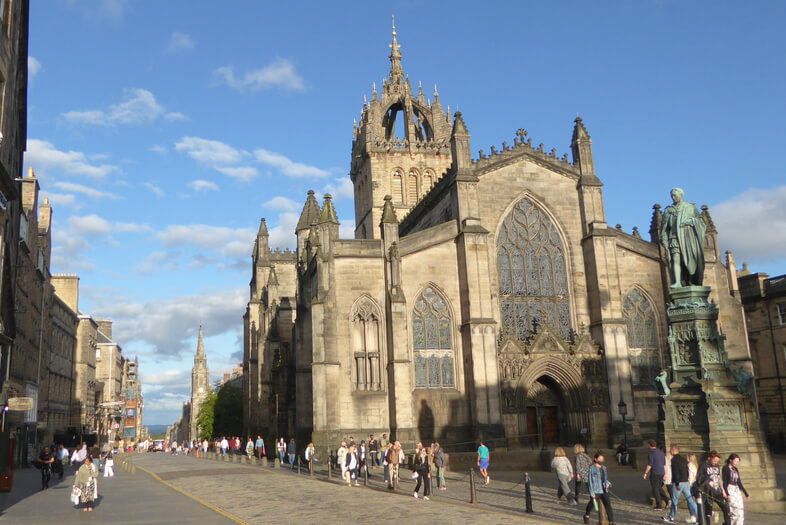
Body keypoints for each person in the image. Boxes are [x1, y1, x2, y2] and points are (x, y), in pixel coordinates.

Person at [660, 187, 707, 288]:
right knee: (676, 259)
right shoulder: (668, 210)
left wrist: (691, 222)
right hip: (674, 238)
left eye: (675, 195)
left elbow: (701, 222)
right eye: (671, 195)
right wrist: (664, 240)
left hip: (688, 239)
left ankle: (691, 281)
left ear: (681, 195)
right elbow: (664, 228)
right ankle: (677, 282)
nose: (673, 197)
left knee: (689, 261)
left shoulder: (690, 207)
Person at [663, 445, 697, 523]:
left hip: (678, 483)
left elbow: (676, 472)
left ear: (673, 450)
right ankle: (698, 515)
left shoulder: (674, 460)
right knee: (690, 500)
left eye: (671, 450)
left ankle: (671, 516)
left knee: (675, 500)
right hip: (686, 482)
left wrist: (677, 483)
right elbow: (686, 471)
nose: (670, 452)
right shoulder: (683, 460)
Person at [697, 450, 731, 525]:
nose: (716, 462)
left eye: (717, 461)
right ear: (710, 458)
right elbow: (699, 477)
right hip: (708, 491)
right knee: (708, 510)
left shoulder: (717, 466)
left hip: (717, 491)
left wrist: (723, 491)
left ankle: (727, 523)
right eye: (715, 460)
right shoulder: (703, 465)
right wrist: (708, 480)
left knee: (725, 507)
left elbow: (719, 478)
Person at [585, 452, 614, 525]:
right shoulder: (592, 468)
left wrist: (608, 484)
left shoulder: (604, 468)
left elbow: (605, 478)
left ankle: (611, 521)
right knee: (592, 503)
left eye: (602, 459)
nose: (601, 460)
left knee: (608, 505)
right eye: (600, 459)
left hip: (604, 489)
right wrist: (592, 493)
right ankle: (586, 515)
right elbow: (590, 481)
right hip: (596, 490)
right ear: (595, 459)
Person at [722, 454, 749, 525]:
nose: (736, 463)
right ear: (731, 460)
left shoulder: (735, 469)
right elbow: (724, 482)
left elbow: (739, 482)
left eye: (738, 461)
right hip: (730, 488)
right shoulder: (726, 468)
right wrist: (727, 493)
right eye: (735, 461)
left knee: (740, 509)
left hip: (736, 489)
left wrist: (745, 493)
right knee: (733, 509)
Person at [643, 439, 668, 509]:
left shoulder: (651, 453)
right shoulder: (661, 452)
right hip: (661, 472)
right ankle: (667, 499)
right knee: (659, 487)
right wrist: (665, 473)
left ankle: (659, 505)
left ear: (649, 445)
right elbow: (664, 464)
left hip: (655, 472)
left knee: (655, 489)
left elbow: (650, 464)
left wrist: (645, 473)